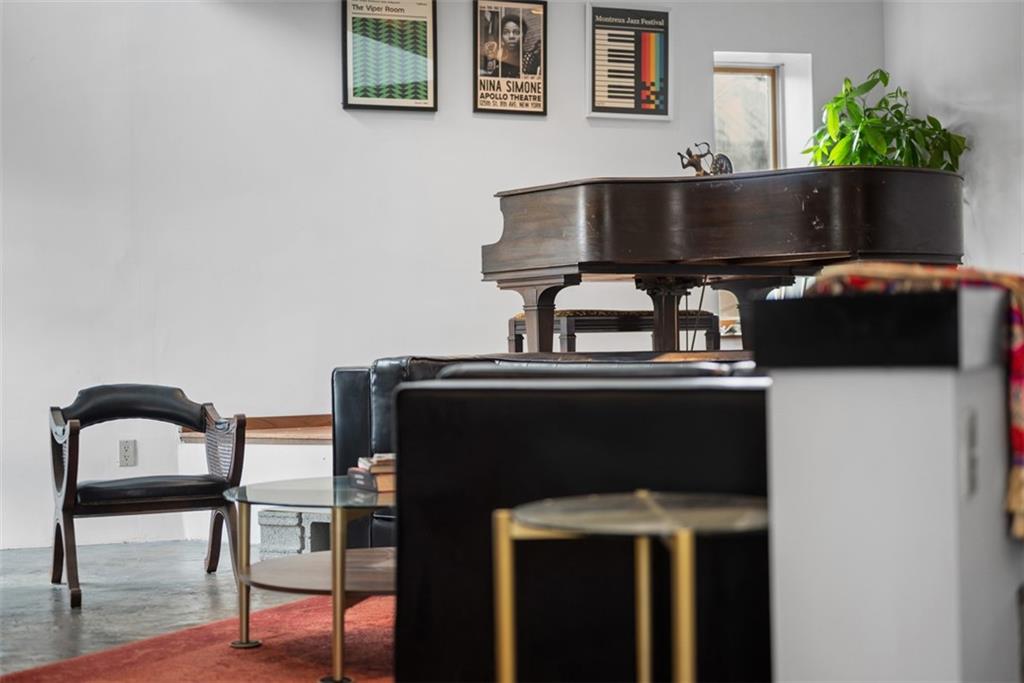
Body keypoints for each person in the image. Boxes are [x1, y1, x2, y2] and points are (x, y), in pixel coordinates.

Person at [497, 13, 540, 79]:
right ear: (501, 38)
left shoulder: (530, 59)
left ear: (523, 37)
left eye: (517, 32)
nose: (511, 36)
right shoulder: (499, 63)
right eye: (506, 32)